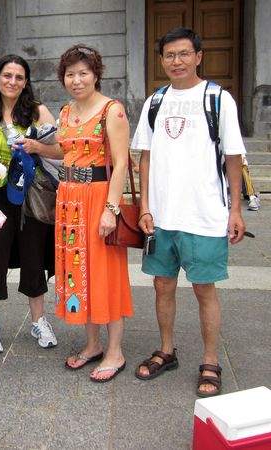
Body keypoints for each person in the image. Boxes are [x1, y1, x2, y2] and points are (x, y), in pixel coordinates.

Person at [131, 28, 246, 397]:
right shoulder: (155, 100)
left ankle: (210, 360)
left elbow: (233, 158)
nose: (176, 61)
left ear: (198, 56)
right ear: (161, 59)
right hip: (162, 216)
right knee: (162, 285)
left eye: (183, 54)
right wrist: (145, 206)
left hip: (205, 215)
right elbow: (144, 157)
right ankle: (167, 350)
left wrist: (236, 211)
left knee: (203, 290)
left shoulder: (218, 98)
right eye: (169, 55)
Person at [0, 54, 62, 354]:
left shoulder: (36, 111)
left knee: (34, 256)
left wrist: (35, 146)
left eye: (19, 77)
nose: (12, 82)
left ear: (26, 83)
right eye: (7, 75)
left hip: (32, 194)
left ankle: (38, 320)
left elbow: (61, 148)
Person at [54, 45, 133, 382]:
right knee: (78, 272)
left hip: (99, 199)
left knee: (106, 272)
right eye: (70, 74)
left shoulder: (111, 111)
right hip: (68, 199)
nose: (77, 80)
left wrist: (111, 210)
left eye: (83, 72)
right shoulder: (64, 112)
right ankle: (92, 344)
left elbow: (121, 163)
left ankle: (115, 351)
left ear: (96, 74)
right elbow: (63, 151)